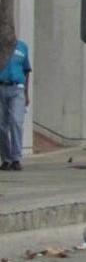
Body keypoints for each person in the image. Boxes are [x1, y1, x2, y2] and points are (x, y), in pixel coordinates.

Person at [0, 39, 31, 171]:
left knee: (16, 122)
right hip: (1, 87)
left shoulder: (22, 47)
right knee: (1, 126)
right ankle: (6, 159)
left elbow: (26, 70)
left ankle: (16, 158)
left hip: (17, 89)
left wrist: (26, 93)